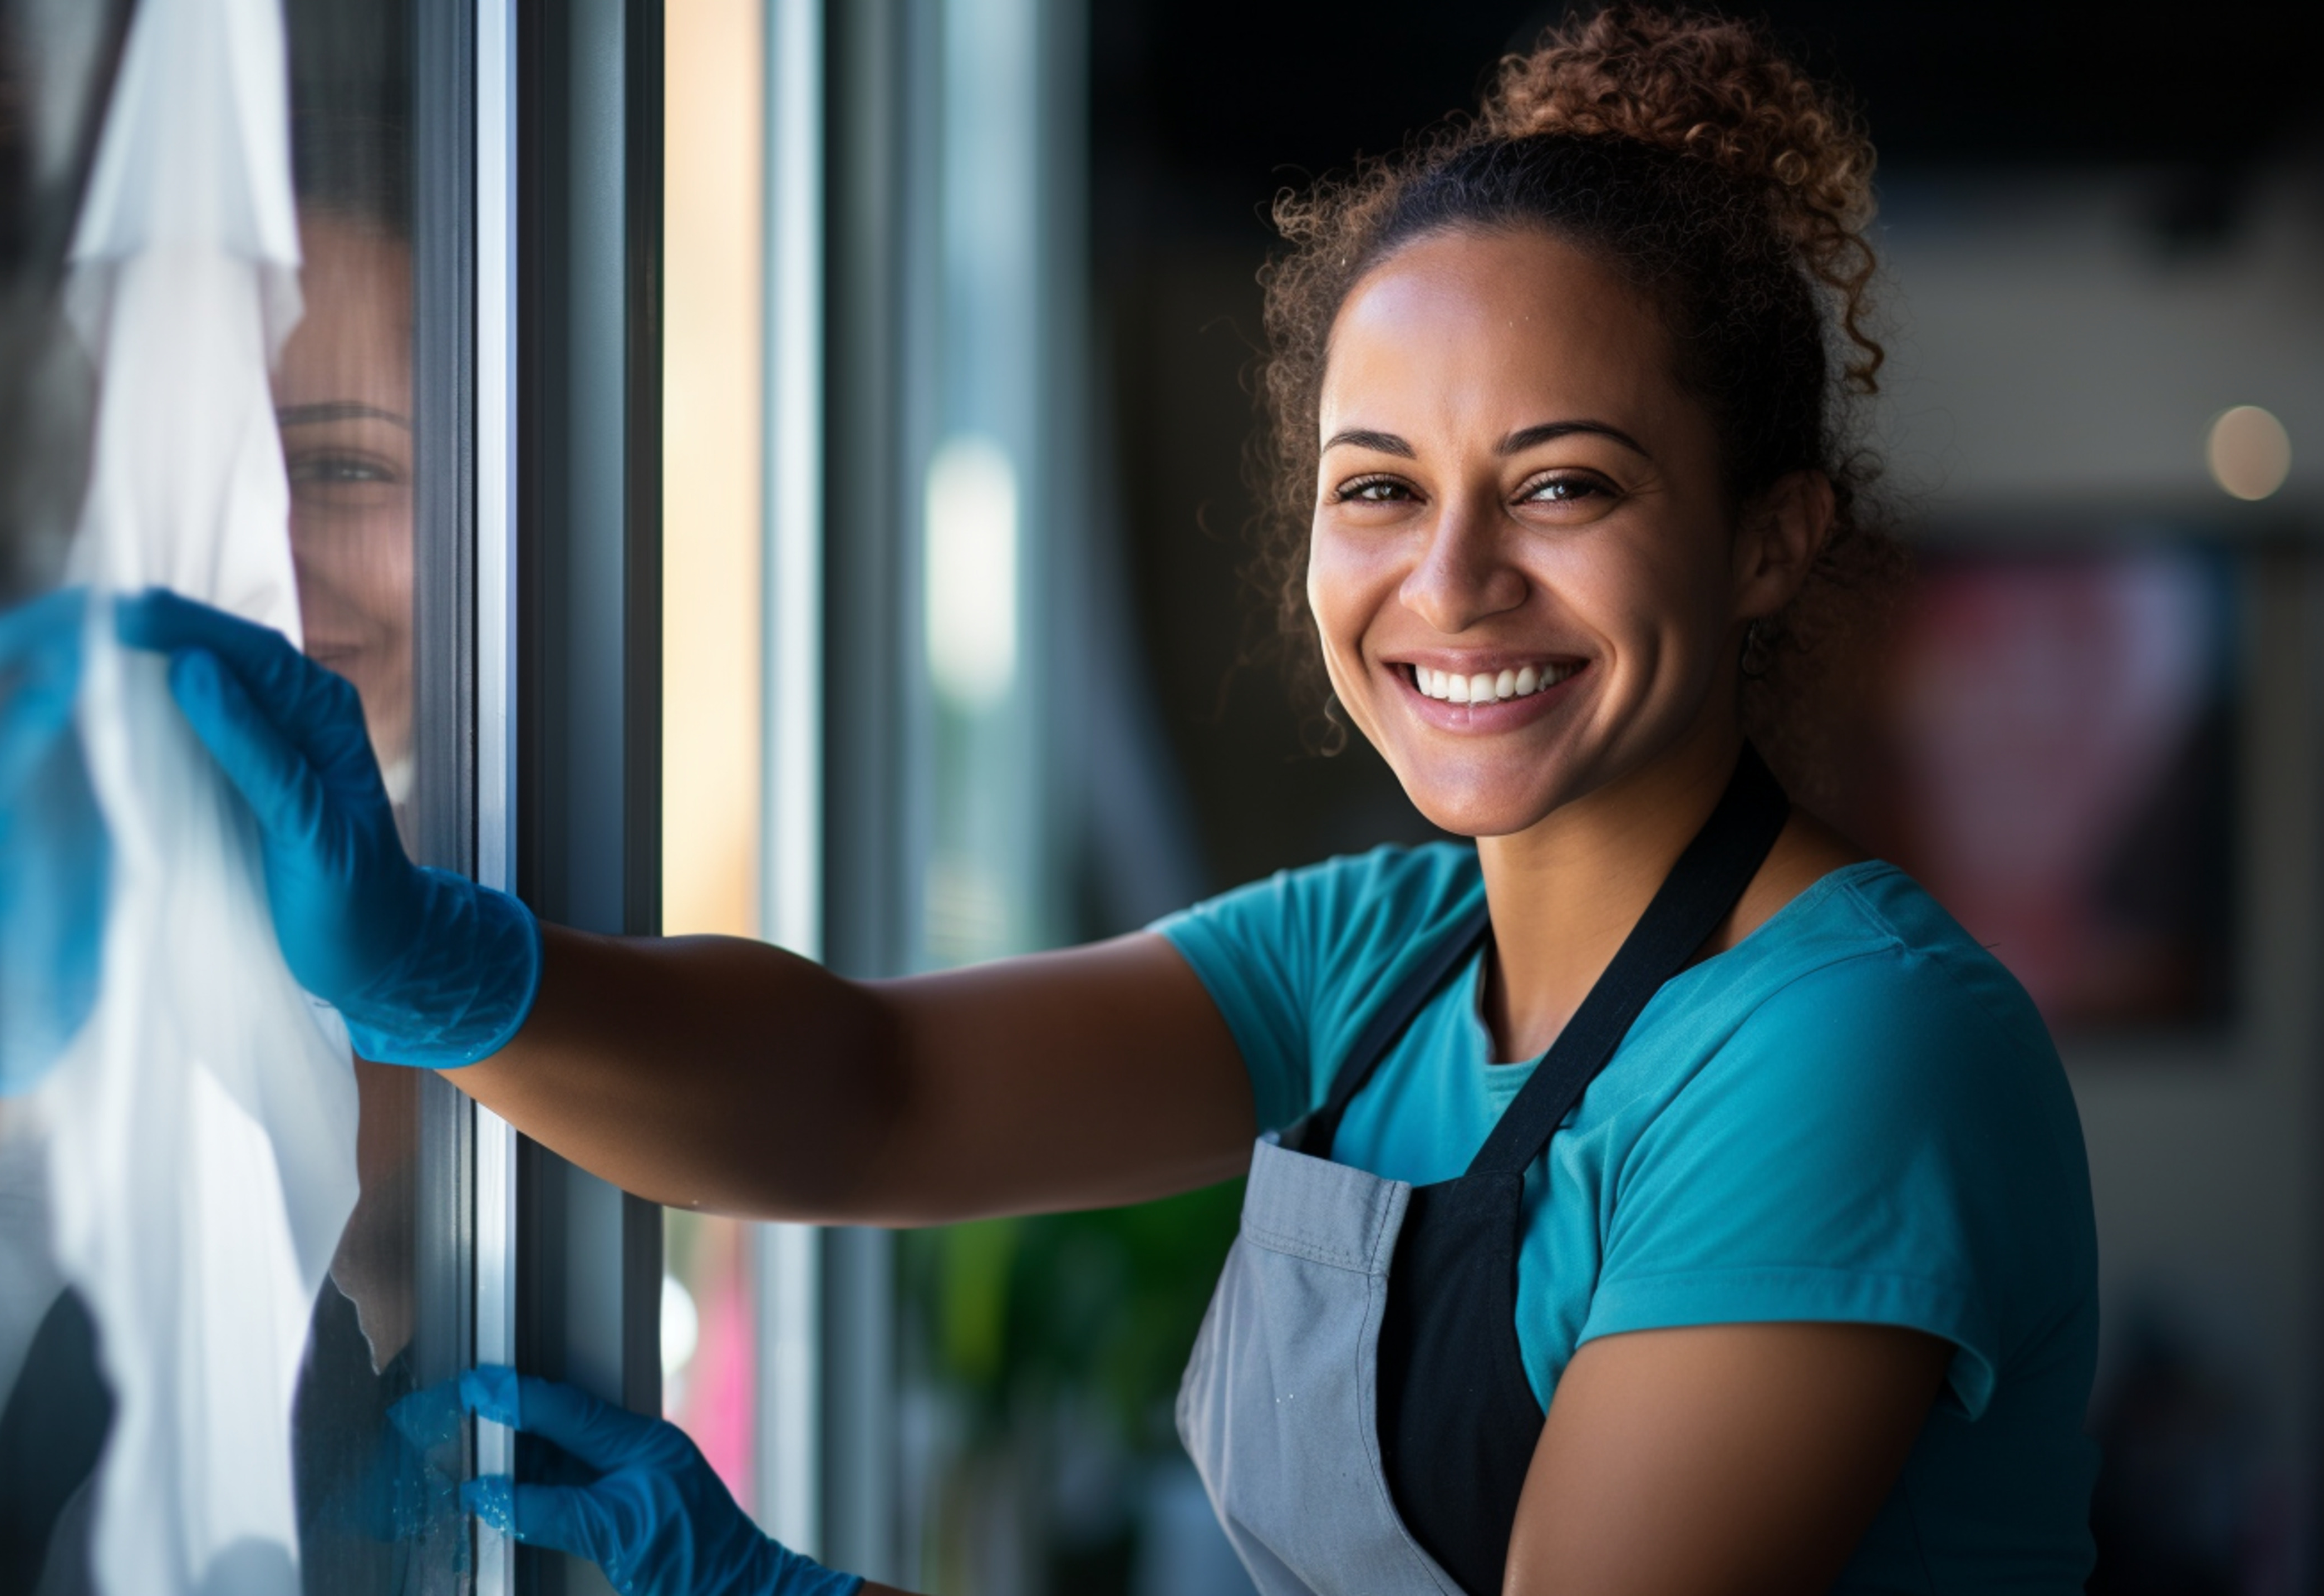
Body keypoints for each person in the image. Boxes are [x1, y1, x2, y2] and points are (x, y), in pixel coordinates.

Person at [116, 9, 2102, 1594]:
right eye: (1380, 487)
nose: (1454, 579)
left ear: (1769, 541)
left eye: (1564, 484)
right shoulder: (1393, 956)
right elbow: (865, 1089)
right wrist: (441, 971)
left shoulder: (1846, 1049)